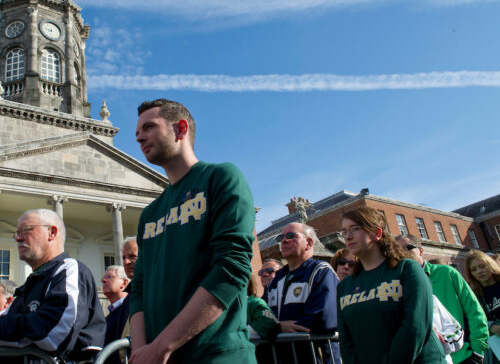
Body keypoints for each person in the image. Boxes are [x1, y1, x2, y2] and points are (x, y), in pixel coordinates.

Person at [130, 99, 256, 363]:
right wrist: (142, 351)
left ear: (181, 129)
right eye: (137, 133)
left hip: (217, 355)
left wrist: (162, 346)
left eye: (149, 127)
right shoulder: (150, 213)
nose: (140, 138)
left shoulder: (221, 177)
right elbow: (139, 288)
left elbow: (231, 268)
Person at [0, 209, 105, 363]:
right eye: (17, 233)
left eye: (26, 230)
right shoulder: (30, 284)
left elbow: (55, 330)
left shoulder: (69, 269)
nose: (18, 238)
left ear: (52, 233)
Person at [337, 208, 444, 363]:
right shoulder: (344, 287)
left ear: (377, 233)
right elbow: (346, 341)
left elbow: (415, 326)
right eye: (344, 231)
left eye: (355, 228)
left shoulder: (407, 269)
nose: (348, 236)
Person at [397, 234, 488, 364]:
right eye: (398, 251)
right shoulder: (398, 285)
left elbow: (474, 311)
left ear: (421, 250)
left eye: (408, 248)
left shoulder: (447, 273)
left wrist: (478, 350)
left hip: (463, 356)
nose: (403, 254)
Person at [263, 222, 340, 363]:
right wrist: (278, 327)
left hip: (316, 357)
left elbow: (324, 318)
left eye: (291, 236)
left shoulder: (321, 272)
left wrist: (275, 328)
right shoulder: (276, 280)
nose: (284, 240)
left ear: (309, 243)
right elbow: (259, 314)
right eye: (281, 237)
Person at [464, 250, 500, 364]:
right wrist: (490, 326)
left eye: (482, 266)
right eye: (474, 269)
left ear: (490, 265)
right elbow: (471, 321)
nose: (479, 271)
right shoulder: (472, 296)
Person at [102, 265, 130, 364]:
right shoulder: (110, 315)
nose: (103, 280)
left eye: (109, 277)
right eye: (104, 277)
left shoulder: (130, 309)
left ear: (124, 283)